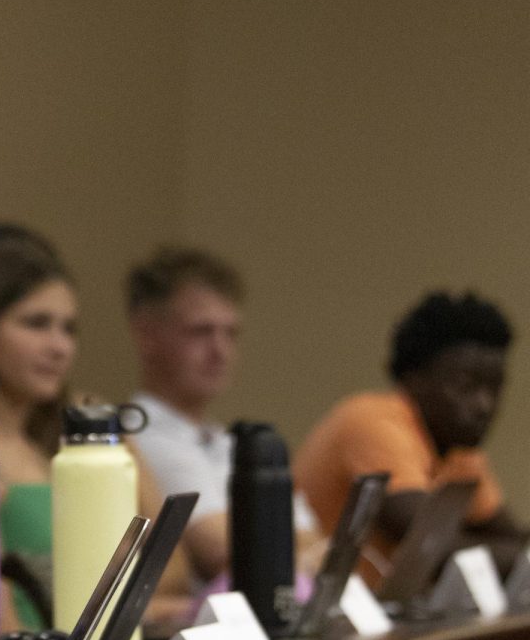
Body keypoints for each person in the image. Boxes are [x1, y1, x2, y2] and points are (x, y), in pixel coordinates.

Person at [0, 224, 189, 632]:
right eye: (36, 323)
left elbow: (173, 571)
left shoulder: (79, 438)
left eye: (68, 328)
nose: (60, 347)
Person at [294, 290, 526, 588]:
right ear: (413, 378)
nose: (484, 404)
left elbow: (508, 536)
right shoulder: (372, 421)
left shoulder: (460, 452)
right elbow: (426, 548)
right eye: (466, 386)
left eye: (495, 388)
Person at [124, 246, 322, 592]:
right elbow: (224, 551)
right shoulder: (140, 436)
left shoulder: (228, 440)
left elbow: (317, 544)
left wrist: (293, 556)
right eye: (200, 332)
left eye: (231, 333)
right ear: (147, 336)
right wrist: (297, 555)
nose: (220, 350)